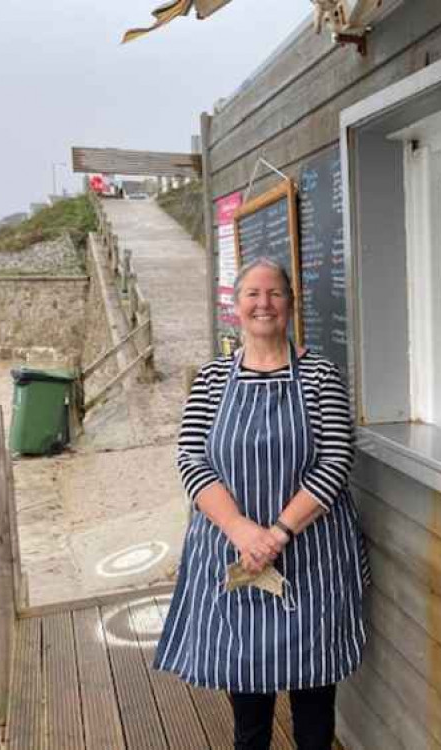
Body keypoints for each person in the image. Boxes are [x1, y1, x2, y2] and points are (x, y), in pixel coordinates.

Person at [154, 258, 368, 749]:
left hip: (313, 562)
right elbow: (191, 459)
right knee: (248, 711)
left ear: (291, 305)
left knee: (314, 704)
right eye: (252, 293)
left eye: (274, 293)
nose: (263, 303)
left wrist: (276, 534)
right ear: (236, 305)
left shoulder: (320, 376)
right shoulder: (210, 379)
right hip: (236, 559)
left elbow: (335, 461)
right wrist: (241, 532)